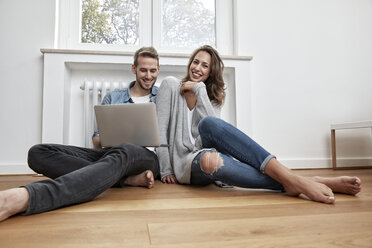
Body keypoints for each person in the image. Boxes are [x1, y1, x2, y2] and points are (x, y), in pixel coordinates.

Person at [156, 45, 362, 204]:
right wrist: (166, 169)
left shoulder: (211, 98)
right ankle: (304, 180)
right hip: (185, 163)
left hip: (206, 150)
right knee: (210, 160)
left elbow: (212, 128)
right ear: (190, 63)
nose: (197, 68)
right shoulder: (172, 85)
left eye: (204, 65)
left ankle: (294, 181)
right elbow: (160, 131)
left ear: (211, 72)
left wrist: (200, 90)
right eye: (196, 62)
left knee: (210, 124)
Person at [0, 47, 161, 222]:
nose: (148, 75)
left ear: (158, 70)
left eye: (153, 70)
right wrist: (111, 137)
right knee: (38, 152)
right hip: (111, 155)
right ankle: (124, 180)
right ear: (134, 69)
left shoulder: (163, 96)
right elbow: (96, 141)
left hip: (147, 158)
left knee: (127, 149)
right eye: (143, 70)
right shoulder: (112, 98)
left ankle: (29, 197)